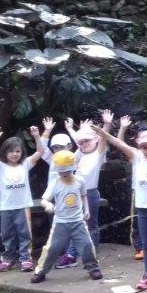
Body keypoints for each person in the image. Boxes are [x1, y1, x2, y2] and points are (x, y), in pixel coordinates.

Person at [92, 113, 147, 291]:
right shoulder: (137, 158)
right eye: (144, 147)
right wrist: (103, 133)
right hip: (143, 209)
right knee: (146, 243)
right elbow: (120, 144)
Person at [30, 150, 102, 283]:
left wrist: (86, 209)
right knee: (52, 248)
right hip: (61, 222)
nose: (64, 173)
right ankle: (41, 271)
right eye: (61, 171)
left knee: (87, 244)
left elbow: (83, 195)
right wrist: (48, 205)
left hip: (78, 220)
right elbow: (44, 199)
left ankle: (93, 267)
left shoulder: (79, 180)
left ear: (73, 167)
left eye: (67, 170)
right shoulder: (55, 183)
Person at [0, 125, 45, 273]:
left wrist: (37, 136)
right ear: (5, 153)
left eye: (17, 151)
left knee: (25, 234)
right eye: (11, 151)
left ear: (22, 152)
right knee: (6, 234)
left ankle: (26, 259)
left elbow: (40, 152)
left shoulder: (25, 164)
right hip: (6, 207)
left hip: (23, 206)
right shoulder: (0, 166)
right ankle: (8, 259)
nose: (15, 154)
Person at [55, 111, 113, 269]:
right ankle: (71, 255)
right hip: (75, 193)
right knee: (75, 223)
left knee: (91, 225)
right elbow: (80, 140)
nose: (83, 144)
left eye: (87, 140)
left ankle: (91, 254)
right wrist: (72, 129)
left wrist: (106, 124)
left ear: (95, 139)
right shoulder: (79, 154)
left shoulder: (99, 154)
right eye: (81, 142)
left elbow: (102, 138)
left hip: (91, 194)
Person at [116, 115, 143, 261]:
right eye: (141, 137)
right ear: (137, 140)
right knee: (137, 219)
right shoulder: (135, 153)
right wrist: (123, 127)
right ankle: (139, 247)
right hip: (138, 191)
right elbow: (120, 144)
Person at [39, 117, 73, 186]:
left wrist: (70, 129)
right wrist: (47, 130)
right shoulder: (53, 159)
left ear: (69, 146)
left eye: (62, 147)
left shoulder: (74, 158)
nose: (59, 150)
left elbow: (81, 143)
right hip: (54, 192)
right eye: (56, 147)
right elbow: (42, 148)